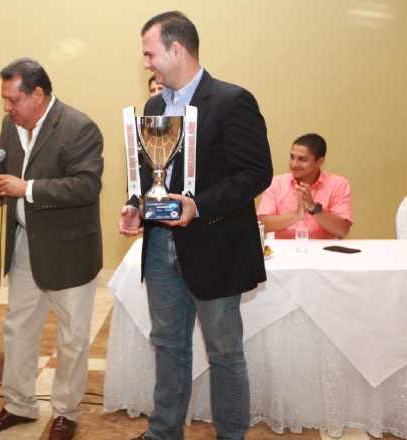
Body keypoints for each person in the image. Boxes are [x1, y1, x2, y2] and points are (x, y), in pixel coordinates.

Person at [119, 11, 273, 440]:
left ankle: (231, 436)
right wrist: (135, 205)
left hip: (215, 248)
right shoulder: (153, 106)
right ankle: (164, 432)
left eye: (150, 53)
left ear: (176, 49)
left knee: (224, 353)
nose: (146, 62)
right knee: (168, 347)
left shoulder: (231, 100)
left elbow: (256, 173)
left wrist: (197, 206)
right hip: (160, 248)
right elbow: (154, 178)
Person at [0, 58, 103, 440]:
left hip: (69, 252)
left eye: (13, 100)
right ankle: (18, 404)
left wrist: (26, 189)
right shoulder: (10, 126)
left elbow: (85, 185)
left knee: (73, 337)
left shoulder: (79, 127)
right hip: (25, 245)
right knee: (18, 329)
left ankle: (65, 412)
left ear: (39, 94)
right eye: (4, 100)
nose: (6, 108)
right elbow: (0, 170)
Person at [257, 133, 353, 239]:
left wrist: (313, 208)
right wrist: (296, 215)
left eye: (302, 159)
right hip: (285, 252)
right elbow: (262, 224)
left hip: (323, 253)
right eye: (292, 157)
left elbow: (342, 230)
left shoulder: (338, 184)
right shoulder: (276, 183)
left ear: (320, 161)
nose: (294, 164)